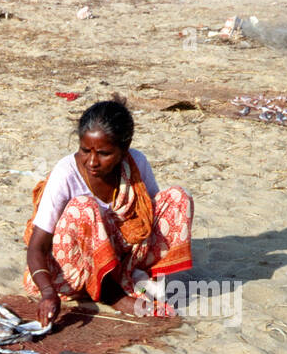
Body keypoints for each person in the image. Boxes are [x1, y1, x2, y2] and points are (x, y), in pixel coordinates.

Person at [23, 97, 193, 324]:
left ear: (124, 149)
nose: (92, 161)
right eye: (85, 150)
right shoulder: (66, 173)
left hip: (119, 261)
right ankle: (112, 295)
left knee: (178, 198)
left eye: (104, 153)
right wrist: (47, 292)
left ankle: (131, 280)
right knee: (84, 207)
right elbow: (37, 245)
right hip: (73, 272)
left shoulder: (135, 163)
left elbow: (151, 217)